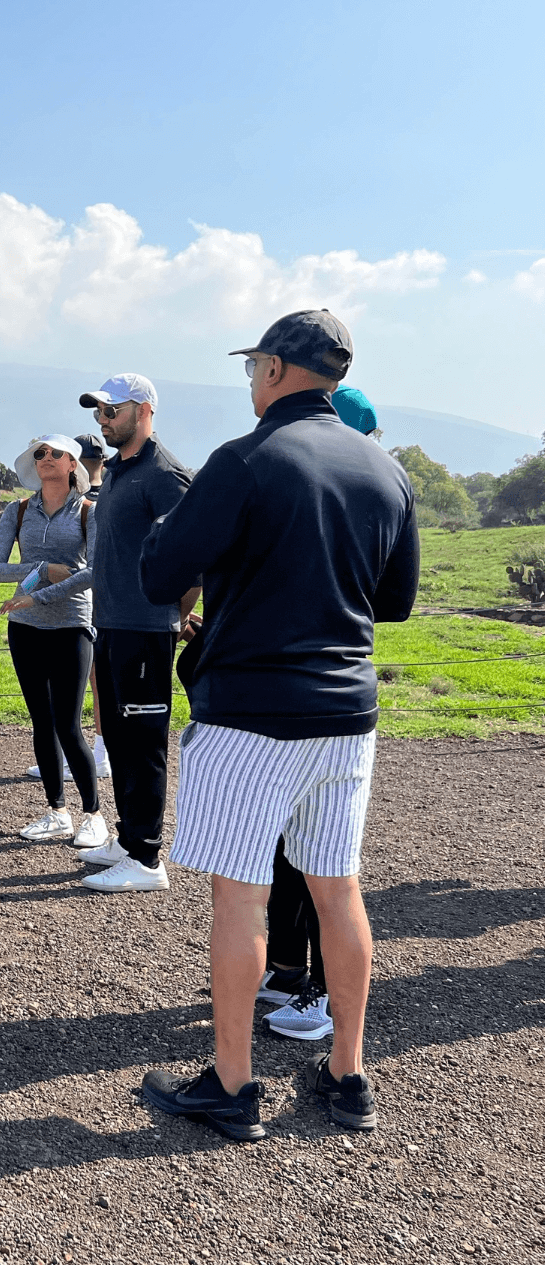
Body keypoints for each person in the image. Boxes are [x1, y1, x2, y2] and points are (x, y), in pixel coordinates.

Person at [138, 310, 418, 1139]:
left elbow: (160, 573)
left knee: (241, 896)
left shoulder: (245, 459)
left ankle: (233, 1085)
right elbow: (395, 601)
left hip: (251, 711)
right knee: (338, 888)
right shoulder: (385, 468)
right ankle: (348, 1075)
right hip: (347, 711)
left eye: (253, 367)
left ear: (272, 368)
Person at [259, 381, 384, 1043]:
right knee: (290, 853)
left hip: (317, 699)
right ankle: (286, 972)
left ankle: (322, 997)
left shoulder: (348, 498)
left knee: (324, 870)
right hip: (304, 695)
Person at [74, 374, 193, 894]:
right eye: (98, 412)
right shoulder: (121, 469)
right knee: (119, 740)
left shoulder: (164, 474)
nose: (103, 420)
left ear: (143, 410)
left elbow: (192, 559)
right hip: (113, 625)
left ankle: (146, 858)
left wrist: (172, 617)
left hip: (145, 629)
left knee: (143, 745)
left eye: (112, 410)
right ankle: (127, 840)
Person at [0, 435, 107, 849]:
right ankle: (57, 811)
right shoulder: (17, 510)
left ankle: (93, 816)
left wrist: (38, 594)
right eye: (39, 453)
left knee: (68, 725)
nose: (46, 458)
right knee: (42, 722)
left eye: (56, 453)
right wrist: (42, 568)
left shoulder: (90, 511)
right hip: (24, 626)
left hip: (72, 625)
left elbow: (94, 572)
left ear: (73, 464)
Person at [23, 430, 112, 783]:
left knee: (86, 681)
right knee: (93, 682)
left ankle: (93, 754)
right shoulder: (107, 494)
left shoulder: (87, 504)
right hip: (98, 597)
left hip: (83, 600)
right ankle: (92, 751)